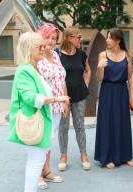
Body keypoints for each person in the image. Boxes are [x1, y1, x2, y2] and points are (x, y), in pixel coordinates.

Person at [9, 32, 70, 192]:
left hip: (40, 122)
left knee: (38, 158)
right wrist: (56, 98)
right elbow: (30, 98)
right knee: (35, 160)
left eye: (44, 46)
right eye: (40, 46)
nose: (44, 49)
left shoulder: (33, 68)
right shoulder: (24, 70)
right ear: (29, 49)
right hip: (32, 123)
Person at [94, 28, 133, 169]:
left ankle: (125, 156)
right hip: (107, 91)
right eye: (107, 37)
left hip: (121, 91)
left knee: (122, 122)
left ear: (118, 40)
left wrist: (132, 97)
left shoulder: (127, 55)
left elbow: (131, 76)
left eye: (110, 38)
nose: (107, 40)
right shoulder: (103, 55)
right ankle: (107, 157)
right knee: (107, 123)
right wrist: (99, 68)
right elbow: (99, 78)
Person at [36, 23, 67, 190]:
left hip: (56, 105)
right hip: (43, 106)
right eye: (47, 37)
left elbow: (61, 79)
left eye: (54, 38)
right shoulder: (36, 56)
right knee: (41, 140)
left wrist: (64, 101)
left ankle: (47, 170)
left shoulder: (56, 55)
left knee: (50, 139)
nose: (51, 41)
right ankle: (38, 174)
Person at [57, 27, 91, 171]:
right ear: (69, 38)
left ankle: (83, 154)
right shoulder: (57, 56)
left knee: (80, 126)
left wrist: (86, 85)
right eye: (78, 36)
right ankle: (63, 155)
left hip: (79, 95)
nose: (80, 39)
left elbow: (88, 71)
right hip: (63, 97)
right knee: (63, 127)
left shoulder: (82, 54)